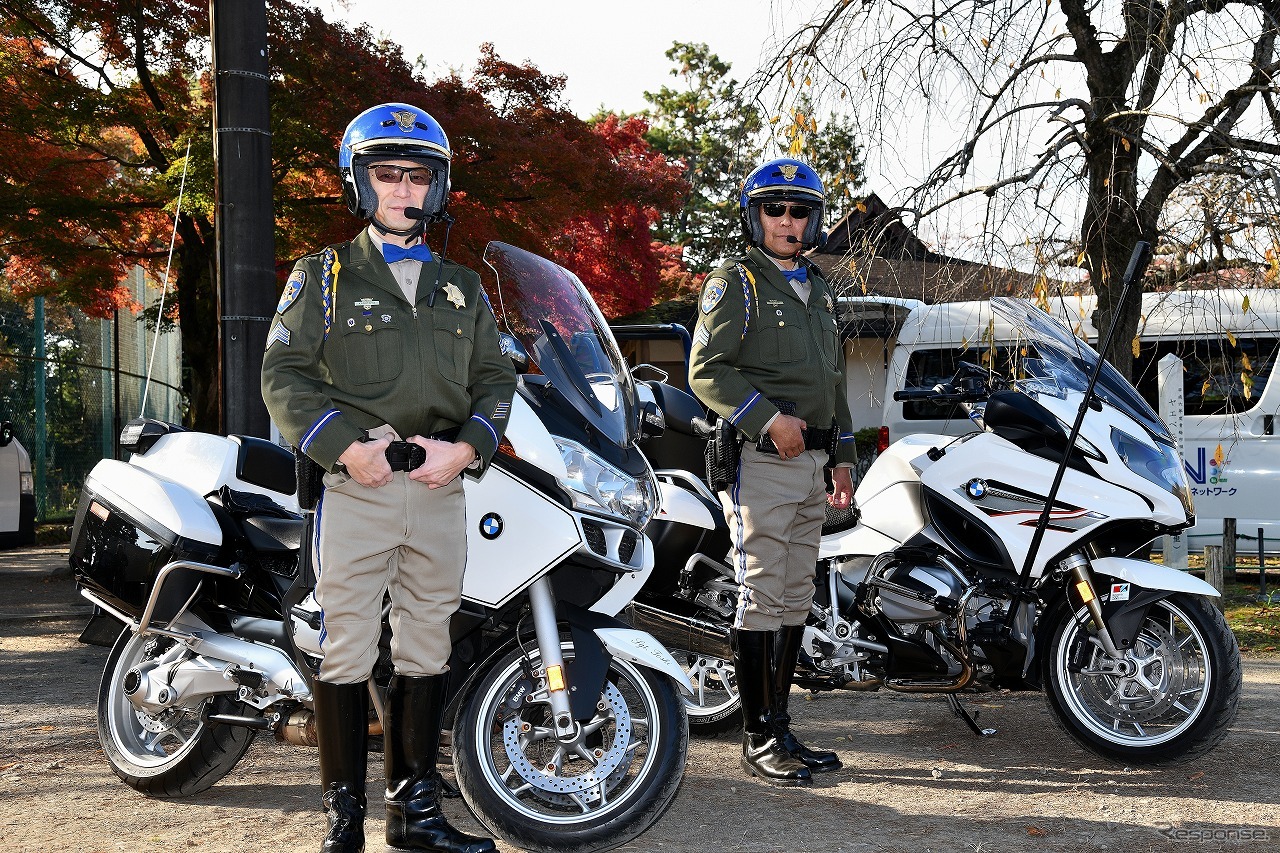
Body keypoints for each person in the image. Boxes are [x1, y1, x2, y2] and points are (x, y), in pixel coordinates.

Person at [262, 102, 515, 853]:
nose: (402, 189)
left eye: (417, 176)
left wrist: (467, 449)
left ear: (437, 188)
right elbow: (284, 372)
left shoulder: (464, 288)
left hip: (439, 486)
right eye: (385, 174)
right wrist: (343, 447)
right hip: (360, 485)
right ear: (359, 184)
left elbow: (496, 380)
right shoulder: (325, 275)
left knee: (426, 646)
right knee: (344, 646)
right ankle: (344, 819)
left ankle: (416, 814)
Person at [688, 157, 857, 786]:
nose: (788, 220)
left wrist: (842, 459)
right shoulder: (738, 282)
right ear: (755, 217)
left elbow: (834, 380)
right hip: (765, 461)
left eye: (800, 210)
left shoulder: (818, 287)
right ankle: (757, 735)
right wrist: (765, 418)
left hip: (813, 464)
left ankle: (780, 725)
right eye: (775, 210)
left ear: (814, 220)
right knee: (760, 595)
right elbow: (706, 368)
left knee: (794, 596)